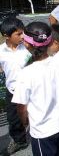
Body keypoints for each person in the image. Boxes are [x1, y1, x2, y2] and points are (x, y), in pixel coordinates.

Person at [12, 22, 59, 156]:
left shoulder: (26, 73)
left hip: (42, 130)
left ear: (27, 44)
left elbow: (21, 107)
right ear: (51, 41)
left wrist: (25, 122)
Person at [0, 17, 30, 155]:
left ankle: (39, 136)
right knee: (13, 119)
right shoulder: (1, 51)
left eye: (23, 32)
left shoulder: (28, 47)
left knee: (35, 113)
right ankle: (20, 141)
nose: (22, 36)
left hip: (31, 90)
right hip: (12, 90)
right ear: (6, 35)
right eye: (18, 34)